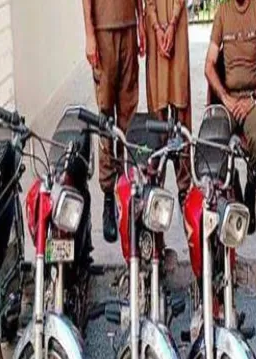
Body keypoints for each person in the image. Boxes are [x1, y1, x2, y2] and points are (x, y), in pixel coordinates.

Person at [204, 0, 256, 234]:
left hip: (254, 99)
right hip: (229, 99)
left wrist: (253, 99)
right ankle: (229, 185)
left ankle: (250, 188)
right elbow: (209, 65)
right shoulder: (223, 12)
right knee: (212, 141)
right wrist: (225, 98)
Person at [81, 0, 146, 243]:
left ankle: (128, 190)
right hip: (103, 31)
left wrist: (140, 22)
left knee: (129, 114)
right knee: (106, 118)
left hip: (129, 27)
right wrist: (90, 34)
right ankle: (109, 194)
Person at [145, 0, 192, 206]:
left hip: (177, 25)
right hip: (154, 29)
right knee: (157, 108)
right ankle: (156, 183)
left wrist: (172, 24)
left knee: (181, 108)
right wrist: (157, 28)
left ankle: (184, 187)